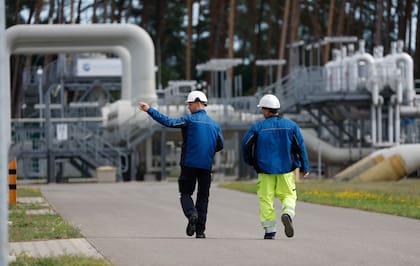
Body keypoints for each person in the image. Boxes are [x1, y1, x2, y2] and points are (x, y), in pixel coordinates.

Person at [138, 90, 224, 239]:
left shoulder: (189, 120)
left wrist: (149, 110)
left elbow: (169, 122)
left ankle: (192, 214)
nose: (188, 108)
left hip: (189, 164)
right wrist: (207, 151)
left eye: (189, 105)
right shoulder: (215, 125)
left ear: (197, 103)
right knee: (203, 197)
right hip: (206, 166)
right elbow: (220, 145)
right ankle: (200, 231)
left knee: (185, 194)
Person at [242, 94, 309, 240]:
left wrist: (250, 161)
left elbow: (246, 144)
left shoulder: (258, 127)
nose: (262, 112)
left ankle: (270, 231)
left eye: (262, 109)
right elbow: (300, 147)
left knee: (266, 199)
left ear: (266, 110)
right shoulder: (291, 126)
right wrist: (305, 166)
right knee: (289, 196)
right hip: (286, 170)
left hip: (265, 171)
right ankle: (287, 214)